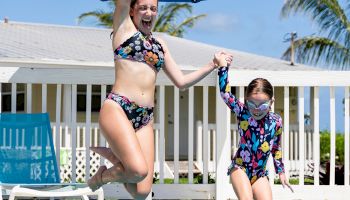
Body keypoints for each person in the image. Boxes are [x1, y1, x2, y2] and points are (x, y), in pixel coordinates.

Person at [87, 0, 233, 199]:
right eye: (143, 8)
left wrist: (212, 64)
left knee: (141, 191)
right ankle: (101, 177)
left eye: (153, 8)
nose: (149, 12)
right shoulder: (124, 28)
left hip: (145, 117)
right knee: (138, 171)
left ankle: (113, 163)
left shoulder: (159, 45)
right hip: (118, 108)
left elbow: (181, 81)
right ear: (131, 10)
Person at [216, 56, 294, 199]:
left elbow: (276, 148)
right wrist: (223, 66)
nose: (257, 109)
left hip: (259, 174)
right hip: (240, 168)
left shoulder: (276, 121)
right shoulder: (243, 112)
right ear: (246, 101)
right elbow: (225, 94)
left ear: (271, 102)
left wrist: (281, 172)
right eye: (252, 104)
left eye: (262, 105)